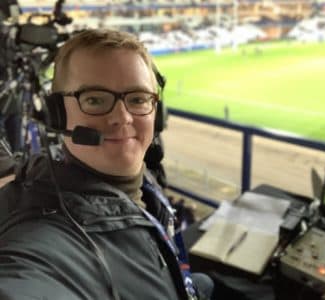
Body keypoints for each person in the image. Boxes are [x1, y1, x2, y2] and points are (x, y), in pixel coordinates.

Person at [0, 29, 212, 300]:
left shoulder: (143, 179)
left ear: (157, 114)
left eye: (137, 99)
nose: (122, 118)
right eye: (95, 100)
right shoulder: (44, 242)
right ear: (56, 115)